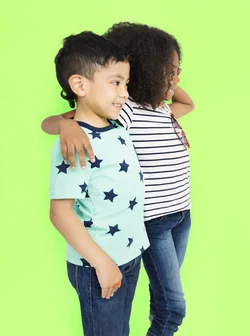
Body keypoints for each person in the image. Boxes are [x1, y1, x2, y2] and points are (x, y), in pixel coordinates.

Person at [42, 22, 195, 336]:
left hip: (168, 222)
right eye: (169, 70)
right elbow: (54, 124)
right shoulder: (125, 114)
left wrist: (169, 76)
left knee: (158, 302)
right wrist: (65, 125)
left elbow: (188, 103)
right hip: (149, 225)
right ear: (150, 70)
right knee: (170, 307)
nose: (176, 79)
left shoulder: (158, 110)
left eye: (178, 71)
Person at [49, 31, 149, 335]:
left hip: (128, 255)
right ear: (79, 84)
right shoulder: (77, 142)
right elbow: (60, 213)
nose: (124, 93)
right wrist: (102, 264)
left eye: (126, 84)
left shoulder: (116, 124)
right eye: (115, 83)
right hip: (98, 265)